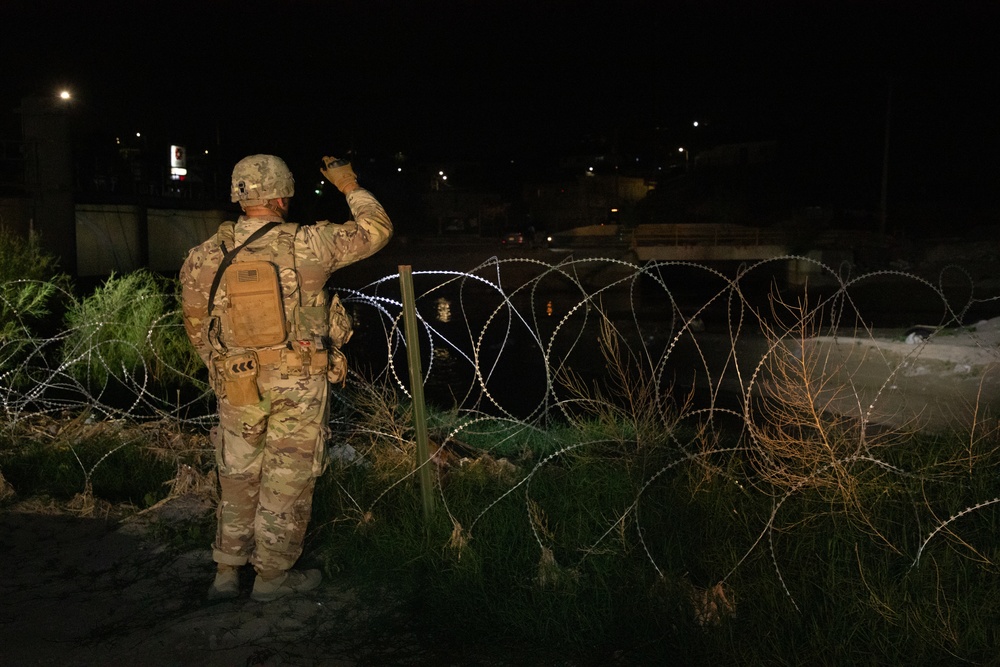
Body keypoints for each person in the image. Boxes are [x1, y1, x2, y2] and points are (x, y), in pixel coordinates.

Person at [180, 154, 392, 602]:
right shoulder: (310, 244)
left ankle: (225, 572)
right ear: (281, 195)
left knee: (236, 472)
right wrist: (349, 184)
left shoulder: (204, 255)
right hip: (298, 381)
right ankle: (272, 579)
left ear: (240, 195)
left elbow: (195, 323)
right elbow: (377, 229)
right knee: (288, 477)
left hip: (237, 383)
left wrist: (220, 369)